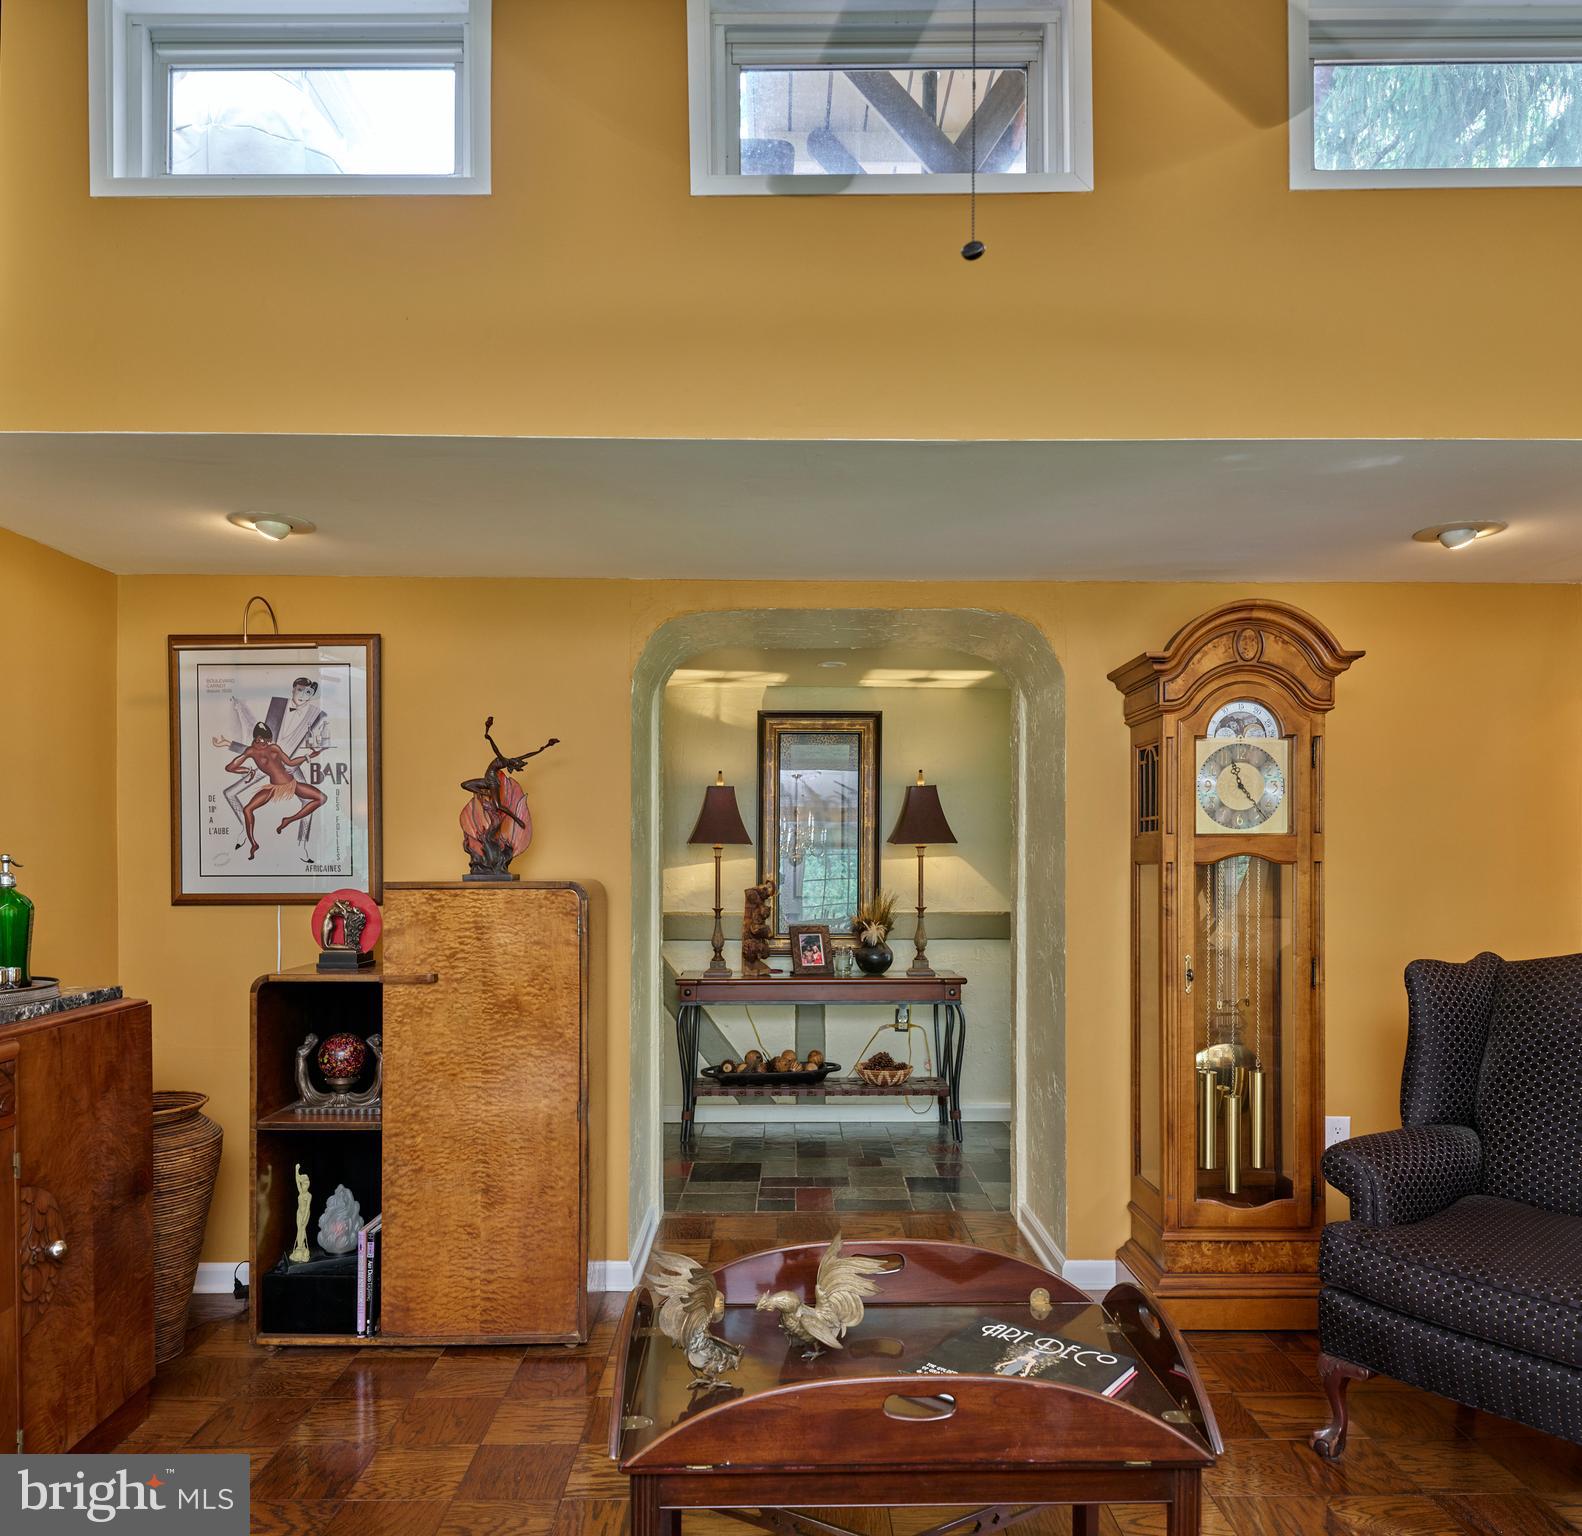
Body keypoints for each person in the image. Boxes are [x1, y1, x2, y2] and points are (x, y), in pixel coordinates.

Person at [213, 677, 330, 861]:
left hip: (291, 770)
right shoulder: (276, 704)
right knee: (230, 793)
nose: (303, 695)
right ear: (293, 689)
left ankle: (301, 844)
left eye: (308, 692)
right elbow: (250, 728)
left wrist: (310, 755)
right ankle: (246, 830)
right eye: (300, 690)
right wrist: (234, 751)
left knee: (310, 800)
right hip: (267, 772)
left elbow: (300, 753)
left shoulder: (316, 715)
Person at [225, 723, 326, 860]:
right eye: (265, 741)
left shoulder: (274, 748)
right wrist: (247, 770)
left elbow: (290, 762)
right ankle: (253, 844)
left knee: (322, 798)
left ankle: (289, 820)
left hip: (291, 784)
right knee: (247, 810)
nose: (268, 743)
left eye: (269, 741)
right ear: (258, 738)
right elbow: (230, 767)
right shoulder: (250, 752)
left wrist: (308, 756)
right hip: (273, 788)